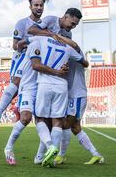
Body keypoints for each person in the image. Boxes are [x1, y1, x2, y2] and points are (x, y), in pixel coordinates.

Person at [29, 8, 103, 165]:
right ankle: (91, 154)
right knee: (70, 125)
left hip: (76, 93)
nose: (72, 27)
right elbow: (32, 30)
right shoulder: (56, 38)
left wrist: (58, 38)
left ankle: (57, 155)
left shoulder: (70, 46)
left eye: (75, 25)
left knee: (65, 124)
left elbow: (82, 58)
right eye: (72, 23)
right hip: (66, 90)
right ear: (65, 17)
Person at [4, 35, 69, 165]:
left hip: (43, 87)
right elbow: (32, 64)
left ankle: (40, 156)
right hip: (29, 88)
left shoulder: (51, 47)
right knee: (26, 118)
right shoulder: (35, 43)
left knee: (47, 122)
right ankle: (8, 147)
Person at [0, 0, 48, 133]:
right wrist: (29, 42)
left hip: (37, 59)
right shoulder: (22, 23)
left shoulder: (45, 24)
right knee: (16, 83)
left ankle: (18, 108)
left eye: (41, 5)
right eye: (36, 5)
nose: (39, 7)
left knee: (34, 87)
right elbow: (15, 46)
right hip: (22, 58)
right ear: (30, 7)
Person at [30, 35, 89, 167]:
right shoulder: (68, 48)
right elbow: (85, 63)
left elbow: (24, 43)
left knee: (40, 119)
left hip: (45, 83)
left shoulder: (42, 40)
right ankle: (49, 158)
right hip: (62, 86)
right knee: (57, 121)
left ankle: (50, 146)